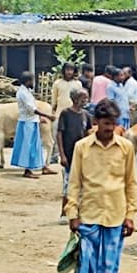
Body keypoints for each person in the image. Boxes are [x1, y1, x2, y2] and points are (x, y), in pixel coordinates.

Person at [66, 99, 137, 273]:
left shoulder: (126, 147)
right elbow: (74, 182)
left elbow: (131, 183)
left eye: (113, 124)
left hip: (116, 214)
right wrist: (72, 213)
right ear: (96, 122)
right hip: (89, 212)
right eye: (105, 123)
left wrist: (130, 215)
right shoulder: (82, 147)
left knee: (109, 264)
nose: (109, 128)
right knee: (86, 261)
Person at [12, 71, 55, 178]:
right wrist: (48, 116)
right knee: (28, 146)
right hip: (27, 122)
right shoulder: (22, 93)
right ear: (28, 81)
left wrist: (40, 118)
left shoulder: (26, 91)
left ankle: (42, 166)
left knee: (36, 146)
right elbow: (32, 109)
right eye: (32, 80)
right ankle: (27, 170)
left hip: (32, 121)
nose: (33, 82)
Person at [56, 87, 91, 221]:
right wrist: (62, 155)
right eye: (83, 98)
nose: (85, 101)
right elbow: (59, 134)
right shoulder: (65, 114)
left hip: (83, 156)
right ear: (75, 99)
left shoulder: (86, 115)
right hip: (69, 155)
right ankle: (64, 213)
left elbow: (89, 133)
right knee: (68, 185)